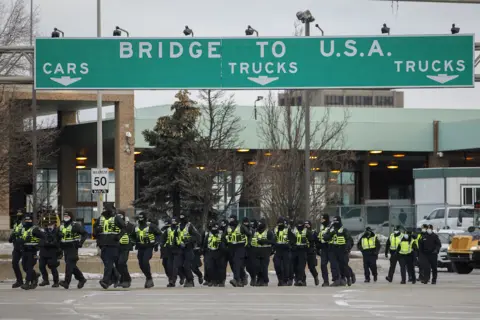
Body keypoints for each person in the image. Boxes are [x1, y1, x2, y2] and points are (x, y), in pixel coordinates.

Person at [95, 209, 125, 289]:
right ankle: (116, 275)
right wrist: (97, 230)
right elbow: (95, 228)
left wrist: (118, 236)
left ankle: (105, 281)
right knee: (106, 262)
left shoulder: (116, 218)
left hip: (113, 244)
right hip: (103, 244)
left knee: (109, 262)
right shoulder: (100, 218)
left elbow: (124, 228)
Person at [58, 211, 88, 289]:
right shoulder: (61, 226)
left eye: (67, 216)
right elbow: (57, 236)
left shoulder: (75, 225)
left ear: (71, 217)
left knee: (69, 265)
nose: (66, 218)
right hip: (65, 248)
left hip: (73, 247)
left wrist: (80, 243)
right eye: (64, 216)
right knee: (71, 266)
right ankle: (82, 279)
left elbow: (85, 234)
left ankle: (66, 282)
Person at [323, 216, 352, 286]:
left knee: (343, 265)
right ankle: (336, 280)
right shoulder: (331, 230)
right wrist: (330, 231)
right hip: (333, 249)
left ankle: (348, 277)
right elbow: (325, 238)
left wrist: (347, 248)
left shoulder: (344, 230)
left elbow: (349, 240)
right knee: (334, 265)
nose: (335, 223)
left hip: (342, 250)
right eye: (334, 222)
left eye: (336, 221)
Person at [134, 211, 161, 288]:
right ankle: (148, 277)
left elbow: (159, 234)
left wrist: (156, 242)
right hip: (140, 247)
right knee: (141, 264)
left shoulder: (151, 226)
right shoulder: (136, 226)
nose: (141, 219)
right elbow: (132, 235)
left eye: (142, 217)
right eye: (139, 217)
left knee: (145, 261)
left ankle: (149, 278)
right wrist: (132, 241)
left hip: (149, 247)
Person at [173, 213, 200, 287]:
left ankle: (190, 280)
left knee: (186, 266)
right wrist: (176, 244)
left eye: (183, 218)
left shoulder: (190, 225)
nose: (181, 220)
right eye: (180, 218)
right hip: (180, 248)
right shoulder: (178, 226)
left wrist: (188, 240)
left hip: (189, 248)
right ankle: (185, 277)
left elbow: (197, 236)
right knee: (178, 265)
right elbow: (175, 237)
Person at [226, 215, 251, 287]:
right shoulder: (228, 227)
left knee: (236, 262)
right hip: (231, 247)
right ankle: (243, 276)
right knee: (233, 264)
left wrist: (248, 243)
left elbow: (249, 235)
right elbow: (224, 236)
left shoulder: (241, 227)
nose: (231, 220)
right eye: (230, 219)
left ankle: (236, 279)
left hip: (240, 247)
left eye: (232, 219)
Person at [19, 214, 42, 290]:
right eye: (26, 220)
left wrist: (37, 246)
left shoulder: (35, 229)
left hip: (33, 251)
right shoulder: (23, 229)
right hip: (25, 250)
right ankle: (35, 276)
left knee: (29, 266)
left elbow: (43, 238)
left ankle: (27, 283)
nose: (27, 221)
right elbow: (21, 239)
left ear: (32, 221)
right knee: (24, 267)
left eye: (29, 220)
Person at [250, 218, 274, 286]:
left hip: (265, 251)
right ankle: (259, 279)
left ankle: (265, 280)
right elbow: (251, 241)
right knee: (257, 267)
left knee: (264, 267)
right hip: (256, 252)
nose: (259, 225)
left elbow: (273, 242)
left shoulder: (269, 232)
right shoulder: (255, 232)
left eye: (261, 223)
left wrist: (265, 242)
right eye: (259, 223)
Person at [203, 222, 227, 287]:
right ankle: (212, 280)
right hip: (210, 252)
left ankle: (221, 281)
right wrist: (203, 250)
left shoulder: (221, 235)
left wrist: (222, 248)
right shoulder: (209, 234)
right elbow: (205, 243)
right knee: (210, 267)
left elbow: (225, 244)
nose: (214, 229)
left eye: (215, 227)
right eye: (213, 227)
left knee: (220, 268)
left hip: (220, 253)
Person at [38, 220, 61, 287]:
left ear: (54, 225)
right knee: (41, 266)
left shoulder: (57, 232)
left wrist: (50, 243)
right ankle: (45, 280)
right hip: (43, 252)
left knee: (53, 267)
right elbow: (41, 241)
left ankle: (56, 282)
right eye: (48, 224)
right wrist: (46, 243)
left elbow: (57, 242)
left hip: (52, 253)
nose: (49, 226)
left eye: (51, 224)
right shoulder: (43, 232)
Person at [273, 217, 294, 286]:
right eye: (278, 223)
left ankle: (285, 280)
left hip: (286, 250)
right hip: (278, 250)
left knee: (286, 266)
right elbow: (273, 239)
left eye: (281, 223)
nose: (280, 224)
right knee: (277, 265)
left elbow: (293, 239)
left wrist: (289, 245)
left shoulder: (287, 230)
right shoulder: (275, 230)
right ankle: (280, 279)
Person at [291, 220, 312, 286]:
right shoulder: (293, 231)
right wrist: (292, 246)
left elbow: (311, 241)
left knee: (301, 266)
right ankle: (297, 279)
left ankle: (301, 280)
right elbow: (290, 240)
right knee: (294, 266)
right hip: (295, 250)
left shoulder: (307, 232)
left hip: (303, 250)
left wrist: (306, 245)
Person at [117, 210, 134, 288]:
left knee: (121, 262)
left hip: (125, 246)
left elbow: (133, 235)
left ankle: (127, 279)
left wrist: (132, 242)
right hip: (116, 246)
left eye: (120, 216)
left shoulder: (129, 225)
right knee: (118, 264)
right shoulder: (114, 224)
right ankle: (122, 280)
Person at [9, 210, 24, 288]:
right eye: (17, 214)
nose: (18, 216)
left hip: (23, 247)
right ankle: (19, 280)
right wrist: (12, 237)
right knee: (14, 264)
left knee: (26, 266)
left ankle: (34, 276)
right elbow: (14, 233)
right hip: (16, 247)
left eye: (20, 214)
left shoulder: (25, 224)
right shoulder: (15, 224)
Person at [304, 220, 320, 286]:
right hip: (303, 251)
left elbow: (317, 242)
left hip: (311, 252)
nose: (306, 226)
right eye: (305, 225)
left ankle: (315, 277)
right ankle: (302, 280)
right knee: (301, 267)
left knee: (311, 267)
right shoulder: (302, 232)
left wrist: (317, 250)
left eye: (307, 224)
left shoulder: (314, 233)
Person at [317, 214, 331, 287]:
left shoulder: (331, 226)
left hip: (331, 247)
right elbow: (320, 237)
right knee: (323, 264)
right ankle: (326, 281)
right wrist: (318, 246)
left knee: (335, 264)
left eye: (322, 219)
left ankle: (340, 278)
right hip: (324, 248)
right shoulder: (321, 226)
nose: (321, 220)